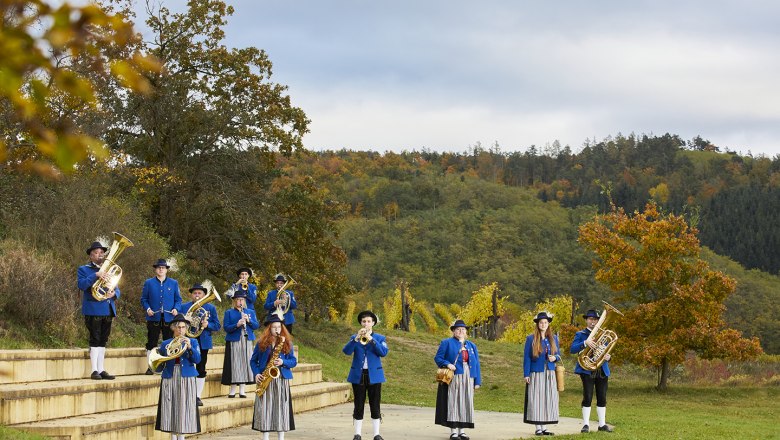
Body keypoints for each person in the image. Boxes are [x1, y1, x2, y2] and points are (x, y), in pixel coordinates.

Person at [154, 314, 202, 440]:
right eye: (178, 327)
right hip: (170, 376)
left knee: (183, 407)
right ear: (173, 328)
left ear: (186, 329)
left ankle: (181, 437)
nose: (180, 330)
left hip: (186, 376)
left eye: (183, 327)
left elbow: (197, 359)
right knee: (170, 406)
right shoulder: (165, 343)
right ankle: (172, 437)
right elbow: (159, 365)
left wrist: (190, 348)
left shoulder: (193, 341)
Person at [77, 240, 120, 380]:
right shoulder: (84, 269)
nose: (99, 255)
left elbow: (116, 287)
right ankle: (94, 370)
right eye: (96, 253)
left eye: (101, 252)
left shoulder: (109, 269)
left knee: (103, 340)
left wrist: (114, 294)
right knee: (95, 339)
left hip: (107, 308)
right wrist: (95, 275)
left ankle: (101, 369)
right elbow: (82, 285)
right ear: (90, 256)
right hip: (93, 309)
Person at [343, 310, 388, 440]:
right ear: (361, 323)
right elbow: (346, 351)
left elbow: (383, 352)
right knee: (358, 404)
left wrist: (372, 339)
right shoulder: (355, 337)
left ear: (373, 323)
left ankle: (376, 434)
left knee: (375, 404)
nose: (366, 324)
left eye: (369, 321)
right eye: (364, 321)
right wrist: (356, 339)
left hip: (374, 375)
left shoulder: (380, 338)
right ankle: (357, 434)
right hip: (358, 375)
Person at [251, 314, 297, 440]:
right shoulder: (261, 343)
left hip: (281, 379)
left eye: (279, 327)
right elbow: (253, 361)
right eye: (274, 327)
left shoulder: (287, 343)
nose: (277, 330)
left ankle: (280, 438)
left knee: (281, 409)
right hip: (265, 379)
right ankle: (265, 437)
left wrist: (283, 362)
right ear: (269, 329)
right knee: (265, 409)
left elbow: (293, 361)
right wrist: (256, 374)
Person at [434, 319, 481, 440]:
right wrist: (448, 364)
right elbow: (438, 358)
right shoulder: (447, 342)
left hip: (468, 376)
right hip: (455, 376)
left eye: (463, 329)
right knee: (454, 402)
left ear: (466, 332)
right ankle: (454, 431)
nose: (461, 331)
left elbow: (476, 364)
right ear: (454, 331)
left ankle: (462, 431)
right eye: (458, 329)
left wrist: (477, 381)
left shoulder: (471, 345)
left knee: (466, 401)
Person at [570, 309, 614, 433]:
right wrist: (585, 343)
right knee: (587, 397)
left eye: (595, 319)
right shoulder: (581, 334)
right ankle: (585, 424)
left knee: (602, 397)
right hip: (587, 369)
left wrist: (608, 357)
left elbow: (606, 349)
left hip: (601, 369)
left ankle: (602, 424)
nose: (593, 322)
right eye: (590, 319)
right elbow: (572, 349)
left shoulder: (603, 334)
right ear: (586, 320)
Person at [180, 283, 221, 406]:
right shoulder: (184, 307)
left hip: (203, 342)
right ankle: (186, 393)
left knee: (201, 368)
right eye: (195, 293)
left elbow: (217, 325)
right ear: (191, 295)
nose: (197, 295)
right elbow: (177, 323)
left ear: (204, 295)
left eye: (199, 293)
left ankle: (197, 395)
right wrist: (185, 319)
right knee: (187, 366)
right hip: (188, 339)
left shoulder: (211, 308)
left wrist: (207, 325)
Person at [523, 311, 561, 436]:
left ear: (548, 324)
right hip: (536, 372)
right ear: (538, 324)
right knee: (537, 398)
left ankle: (544, 427)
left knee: (547, 398)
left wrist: (554, 358)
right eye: (541, 322)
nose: (543, 324)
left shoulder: (554, 338)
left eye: (545, 322)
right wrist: (526, 374)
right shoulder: (531, 339)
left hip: (549, 372)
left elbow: (558, 354)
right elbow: (527, 357)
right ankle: (538, 427)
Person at [141, 258, 182, 374]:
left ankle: (168, 367)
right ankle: (150, 367)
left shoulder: (173, 283)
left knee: (168, 342)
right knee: (151, 342)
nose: (161, 269)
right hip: (153, 317)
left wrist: (175, 309)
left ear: (166, 270)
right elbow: (144, 299)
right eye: (159, 268)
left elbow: (178, 300)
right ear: (155, 269)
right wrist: (148, 309)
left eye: (163, 268)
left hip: (169, 318)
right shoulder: (149, 282)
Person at [221, 290, 259, 397]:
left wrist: (249, 321)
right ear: (234, 301)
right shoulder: (229, 312)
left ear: (245, 301)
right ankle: (232, 390)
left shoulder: (250, 312)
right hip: (234, 340)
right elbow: (226, 327)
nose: (240, 302)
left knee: (245, 363)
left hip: (247, 340)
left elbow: (256, 326)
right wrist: (237, 325)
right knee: (234, 363)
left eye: (241, 299)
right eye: (237, 300)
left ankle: (242, 390)